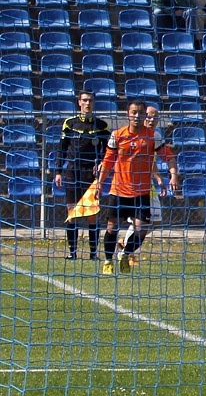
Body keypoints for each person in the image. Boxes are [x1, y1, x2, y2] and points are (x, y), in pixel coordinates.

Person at [95, 101, 165, 274]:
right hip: (118, 190)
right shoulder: (118, 135)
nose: (137, 116)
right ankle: (108, 260)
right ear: (128, 114)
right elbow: (108, 161)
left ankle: (125, 254)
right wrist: (99, 183)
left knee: (142, 230)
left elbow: (167, 155)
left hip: (141, 192)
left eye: (140, 113)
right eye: (133, 112)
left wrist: (172, 173)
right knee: (112, 227)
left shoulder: (152, 136)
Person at [54, 91, 111, 260]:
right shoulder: (70, 123)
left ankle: (93, 254)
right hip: (72, 171)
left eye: (91, 100)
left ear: (94, 103)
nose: (88, 103)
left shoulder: (101, 125)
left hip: (91, 174)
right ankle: (72, 253)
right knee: (72, 213)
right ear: (79, 102)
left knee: (92, 213)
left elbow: (108, 150)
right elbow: (62, 149)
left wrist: (100, 163)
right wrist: (58, 172)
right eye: (85, 100)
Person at [119, 105, 178, 258]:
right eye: (149, 116)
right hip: (132, 187)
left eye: (155, 117)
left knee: (151, 222)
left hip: (147, 186)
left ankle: (125, 245)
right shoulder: (136, 136)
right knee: (141, 222)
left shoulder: (154, 136)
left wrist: (161, 178)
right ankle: (126, 251)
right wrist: (159, 178)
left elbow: (152, 162)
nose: (152, 120)